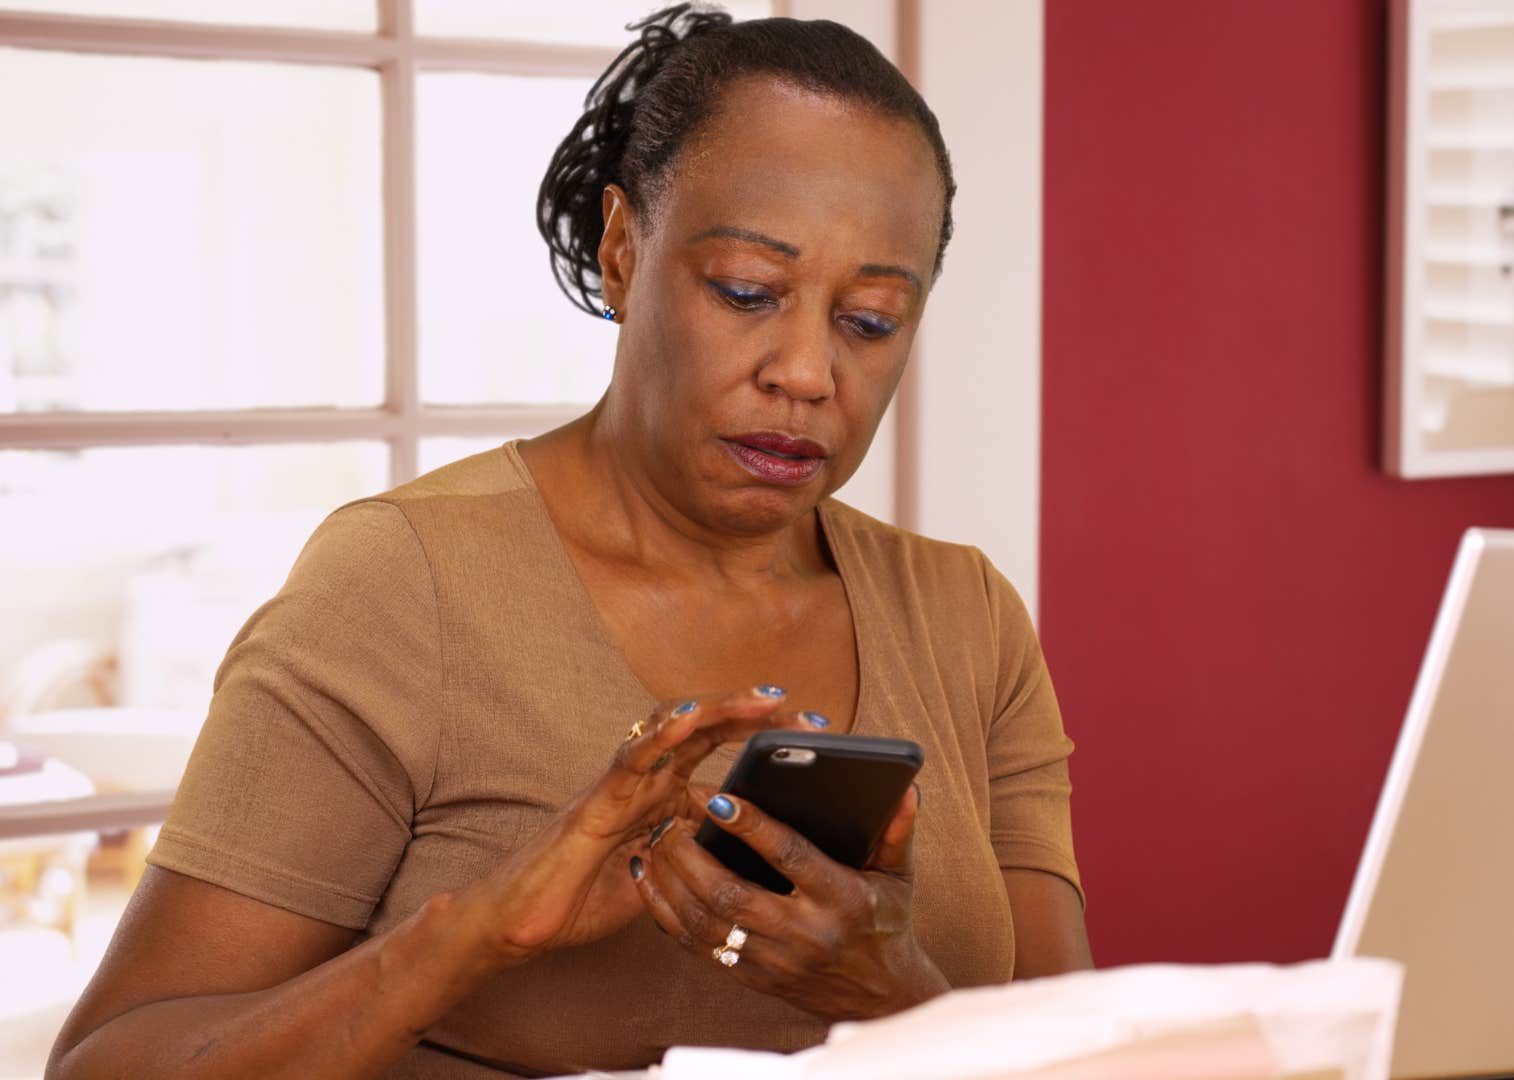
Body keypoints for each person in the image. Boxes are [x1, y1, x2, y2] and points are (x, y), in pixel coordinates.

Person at [47, 7, 1089, 1078]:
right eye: (746, 291)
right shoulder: (405, 586)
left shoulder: (966, 619)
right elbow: (106, 1067)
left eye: (870, 319)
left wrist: (892, 993)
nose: (808, 373)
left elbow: (1102, 1059)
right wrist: (475, 931)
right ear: (623, 249)